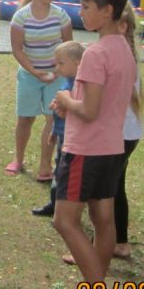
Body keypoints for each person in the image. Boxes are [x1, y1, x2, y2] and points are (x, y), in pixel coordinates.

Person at [49, 0, 135, 289]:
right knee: (103, 222)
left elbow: (89, 109)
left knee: (64, 221)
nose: (81, 12)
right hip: (111, 147)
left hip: (86, 149)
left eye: (86, 6)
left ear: (107, 10)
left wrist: (66, 100)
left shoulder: (96, 53)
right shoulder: (124, 48)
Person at [5, 0, 73, 178]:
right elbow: (17, 49)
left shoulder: (61, 15)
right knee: (25, 118)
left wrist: (58, 71)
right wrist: (34, 72)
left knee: (53, 119)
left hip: (56, 77)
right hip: (29, 76)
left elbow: (69, 47)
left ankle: (45, 166)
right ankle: (18, 160)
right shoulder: (21, 17)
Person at [31, 40, 85, 217]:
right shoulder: (66, 81)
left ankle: (65, 210)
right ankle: (54, 204)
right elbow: (60, 111)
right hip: (63, 138)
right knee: (59, 172)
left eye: (61, 63)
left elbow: (80, 112)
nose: (57, 67)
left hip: (74, 141)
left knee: (66, 175)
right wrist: (54, 132)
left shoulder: (81, 85)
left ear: (77, 63)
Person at [114, 2, 144, 259]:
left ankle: (103, 245)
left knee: (105, 192)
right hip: (126, 133)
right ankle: (119, 242)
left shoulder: (120, 57)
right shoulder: (124, 52)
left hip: (120, 134)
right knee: (115, 187)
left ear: (122, 26)